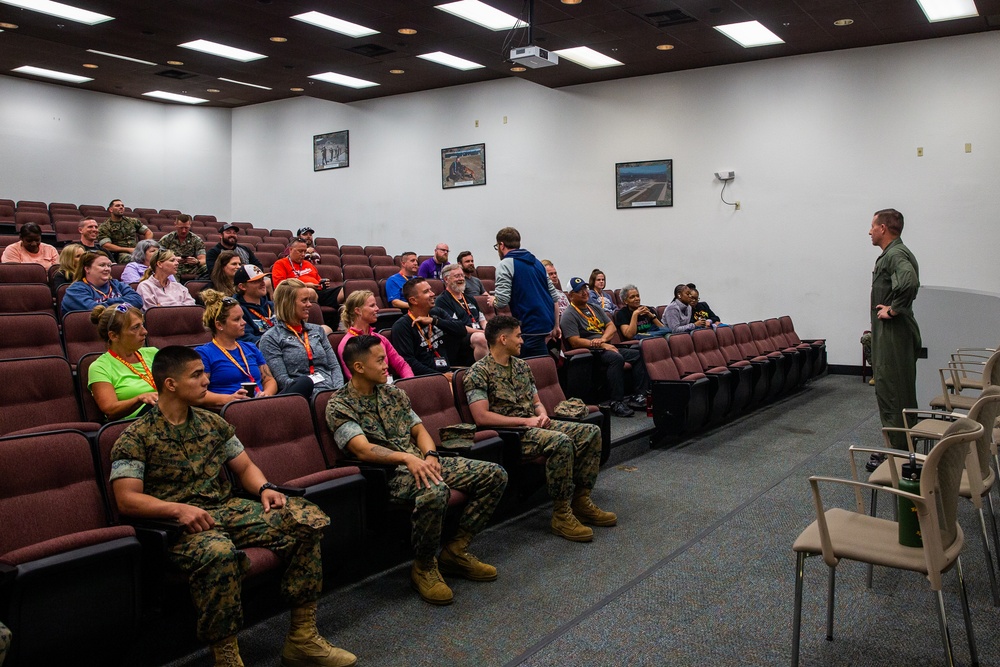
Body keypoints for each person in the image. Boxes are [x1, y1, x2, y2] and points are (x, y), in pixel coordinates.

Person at [110, 345, 356, 667]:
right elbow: (127, 498)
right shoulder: (136, 437)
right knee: (218, 554)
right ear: (170, 384)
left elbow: (244, 468)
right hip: (183, 526)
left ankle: (303, 638)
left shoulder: (213, 424)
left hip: (226, 508)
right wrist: (176, 509)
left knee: (304, 519)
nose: (205, 380)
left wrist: (265, 487)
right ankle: (226, 656)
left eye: (204, 373)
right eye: (196, 375)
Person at [327, 335, 507, 605]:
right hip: (387, 475)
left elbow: (419, 429)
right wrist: (407, 459)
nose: (387, 364)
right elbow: (362, 449)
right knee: (435, 491)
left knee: (494, 474)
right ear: (358, 367)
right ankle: (423, 566)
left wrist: (430, 453)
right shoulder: (339, 404)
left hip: (421, 463)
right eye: (380, 360)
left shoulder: (394, 393)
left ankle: (456, 550)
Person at [464, 316, 615, 542]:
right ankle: (562, 514)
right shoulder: (478, 372)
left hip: (535, 425)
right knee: (561, 441)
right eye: (518, 336)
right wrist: (525, 422)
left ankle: (581, 500)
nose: (522, 341)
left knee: (590, 432)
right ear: (503, 339)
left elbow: (536, 402)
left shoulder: (522, 366)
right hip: (513, 435)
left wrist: (542, 414)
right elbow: (481, 416)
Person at [196, 289, 312, 406]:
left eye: (242, 317)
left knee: (304, 383)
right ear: (219, 325)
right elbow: (198, 392)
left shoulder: (250, 347)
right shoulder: (204, 354)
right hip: (233, 407)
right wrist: (228, 399)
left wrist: (267, 394)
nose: (244, 322)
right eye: (237, 319)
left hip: (261, 402)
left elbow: (268, 380)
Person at [869, 208, 921, 454]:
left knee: (892, 389)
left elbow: (908, 281)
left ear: (883, 228)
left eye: (872, 226)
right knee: (894, 388)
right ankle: (900, 445)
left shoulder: (895, 254)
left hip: (893, 334)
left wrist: (892, 310)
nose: (869, 231)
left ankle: (899, 454)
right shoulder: (893, 254)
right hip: (891, 333)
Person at [561, 277, 648, 417]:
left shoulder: (594, 307)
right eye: (579, 291)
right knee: (616, 358)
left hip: (604, 345)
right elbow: (574, 341)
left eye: (585, 289)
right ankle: (616, 402)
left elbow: (611, 326)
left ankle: (638, 396)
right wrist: (599, 344)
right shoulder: (568, 315)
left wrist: (603, 340)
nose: (584, 292)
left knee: (638, 353)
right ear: (571, 295)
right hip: (590, 351)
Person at [259, 278, 345, 399]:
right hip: (303, 397)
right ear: (288, 303)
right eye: (304, 301)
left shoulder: (317, 331)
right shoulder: (271, 338)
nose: (310, 305)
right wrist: (318, 396)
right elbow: (282, 379)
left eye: (309, 300)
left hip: (332, 391)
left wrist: (337, 390)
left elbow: (334, 366)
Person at [493, 227, 561, 358]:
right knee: (540, 364)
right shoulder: (537, 263)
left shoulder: (506, 264)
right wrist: (556, 325)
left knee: (531, 368)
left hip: (528, 326)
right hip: (546, 323)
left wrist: (493, 300)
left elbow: (502, 301)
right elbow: (554, 297)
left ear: (501, 245)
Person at [87, 304, 159, 420]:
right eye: (136, 327)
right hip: (134, 426)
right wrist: (139, 399)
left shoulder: (153, 353)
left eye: (142, 325)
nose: (144, 332)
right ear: (114, 336)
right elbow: (110, 410)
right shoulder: (100, 367)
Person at [390, 277, 469, 379]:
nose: (432, 294)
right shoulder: (401, 326)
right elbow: (408, 361)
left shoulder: (437, 313)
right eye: (426, 291)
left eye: (430, 289)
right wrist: (440, 377)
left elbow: (461, 330)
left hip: (449, 372)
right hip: (426, 379)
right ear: (413, 300)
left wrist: (435, 321)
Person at [336, 289, 413, 381]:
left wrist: (409, 382)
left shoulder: (380, 338)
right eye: (372, 305)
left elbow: (401, 365)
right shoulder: (347, 344)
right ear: (358, 311)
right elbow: (356, 380)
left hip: (390, 388)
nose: (377, 309)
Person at [271, 237, 343, 328]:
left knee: (344, 291)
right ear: (290, 250)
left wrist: (322, 284)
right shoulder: (280, 264)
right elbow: (280, 286)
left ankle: (342, 323)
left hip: (318, 292)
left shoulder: (308, 264)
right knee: (310, 292)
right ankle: (315, 320)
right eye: (300, 251)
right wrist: (305, 285)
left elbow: (318, 280)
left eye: (305, 251)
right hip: (295, 294)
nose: (303, 254)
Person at [434, 263, 488, 361]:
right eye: (457, 276)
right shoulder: (442, 300)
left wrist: (489, 330)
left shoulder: (469, 298)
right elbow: (457, 327)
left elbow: (482, 319)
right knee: (481, 338)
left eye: (462, 275)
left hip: (479, 332)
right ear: (446, 279)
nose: (461, 278)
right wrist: (482, 332)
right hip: (459, 337)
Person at [61, 251, 143, 314]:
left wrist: (108, 302)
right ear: (87, 269)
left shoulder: (117, 284)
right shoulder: (75, 290)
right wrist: (124, 305)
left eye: (109, 265)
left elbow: (137, 300)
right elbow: (96, 310)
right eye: (102, 265)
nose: (107, 269)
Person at [98, 199, 152, 263]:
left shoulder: (132, 221)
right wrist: (128, 249)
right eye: (117, 206)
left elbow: (148, 232)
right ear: (111, 209)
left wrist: (143, 247)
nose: (121, 207)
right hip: (119, 254)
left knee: (159, 257)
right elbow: (106, 245)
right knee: (134, 259)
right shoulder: (105, 226)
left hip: (137, 251)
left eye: (122, 206)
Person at [234, 265, 275, 344]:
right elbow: (245, 338)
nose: (263, 283)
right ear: (242, 286)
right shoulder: (238, 311)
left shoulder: (272, 306)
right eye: (257, 281)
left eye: (262, 279)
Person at [159, 214, 207, 278]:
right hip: (173, 266)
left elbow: (203, 259)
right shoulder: (167, 238)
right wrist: (173, 259)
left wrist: (196, 261)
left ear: (190, 225)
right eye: (181, 228)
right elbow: (158, 256)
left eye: (186, 228)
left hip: (191, 268)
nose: (184, 231)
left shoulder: (196, 239)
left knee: (208, 268)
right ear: (175, 225)